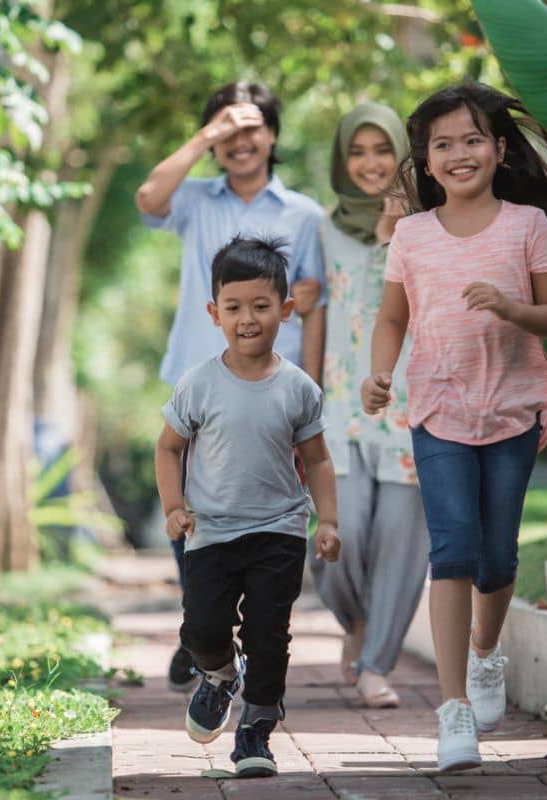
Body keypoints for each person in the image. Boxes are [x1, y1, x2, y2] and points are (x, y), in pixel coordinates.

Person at [360, 83, 547, 772]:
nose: (460, 154)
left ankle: (486, 654)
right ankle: (454, 712)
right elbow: (393, 317)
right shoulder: (413, 236)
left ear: (499, 148)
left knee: (497, 557)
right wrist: (380, 372)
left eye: (473, 139)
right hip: (438, 408)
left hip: (512, 405)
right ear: (426, 162)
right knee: (451, 550)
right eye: (443, 144)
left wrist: (512, 309)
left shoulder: (526, 226)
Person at [135, 81, 327, 693]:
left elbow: (314, 305)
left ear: (273, 134)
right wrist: (203, 136)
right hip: (198, 378)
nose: (241, 141)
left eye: (252, 128)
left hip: (276, 391)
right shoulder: (193, 200)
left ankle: (234, 641)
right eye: (227, 130)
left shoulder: (304, 215)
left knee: (268, 508)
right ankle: (203, 635)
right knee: (188, 506)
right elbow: (148, 196)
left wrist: (313, 389)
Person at [154, 235, 341, 778]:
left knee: (268, 634)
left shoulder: (299, 388)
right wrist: (174, 506)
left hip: (279, 531)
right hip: (210, 533)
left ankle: (257, 726)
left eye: (262, 306)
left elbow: (319, 460)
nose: (248, 319)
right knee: (201, 631)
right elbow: (168, 447)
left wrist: (326, 520)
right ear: (214, 314)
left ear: (286, 311)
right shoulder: (199, 384)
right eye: (234, 308)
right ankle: (217, 674)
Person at [303, 102, 428, 710]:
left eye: (383, 150)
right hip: (339, 410)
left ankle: (376, 663)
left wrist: (391, 241)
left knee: (404, 543)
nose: (371, 164)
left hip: (412, 409)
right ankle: (354, 621)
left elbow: (410, 309)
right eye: (358, 152)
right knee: (337, 536)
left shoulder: (428, 226)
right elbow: (315, 316)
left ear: (402, 154)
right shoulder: (322, 230)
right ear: (342, 160)